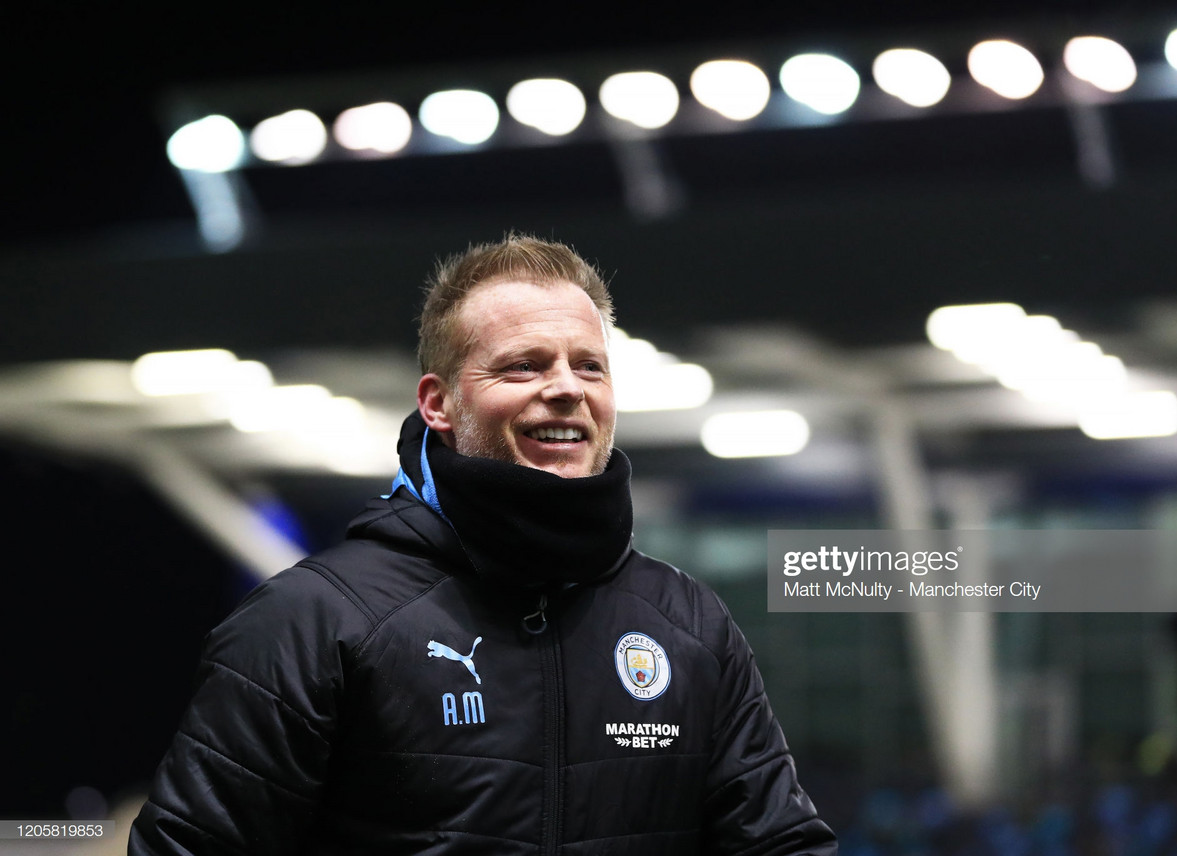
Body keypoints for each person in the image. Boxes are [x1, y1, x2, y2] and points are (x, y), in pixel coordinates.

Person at [129, 235, 837, 855]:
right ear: (438, 403)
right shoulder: (309, 621)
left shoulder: (688, 624)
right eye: (524, 366)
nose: (566, 388)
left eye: (589, 367)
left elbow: (779, 843)